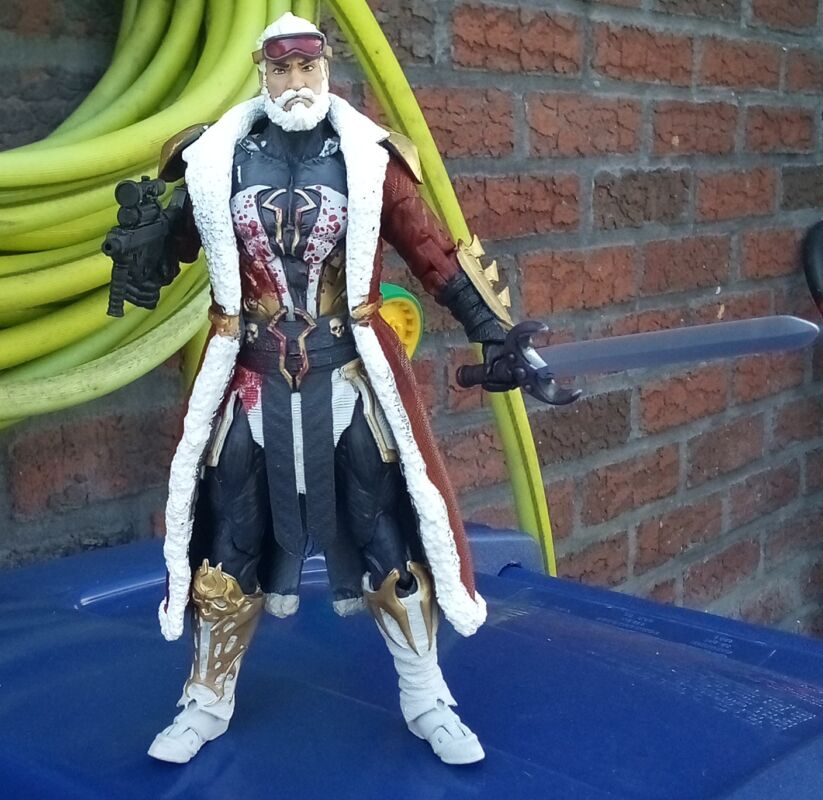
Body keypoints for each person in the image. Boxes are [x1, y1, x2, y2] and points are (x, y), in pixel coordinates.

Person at [147, 12, 518, 767]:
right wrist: (139, 244)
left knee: (385, 531)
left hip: (347, 376)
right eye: (281, 68)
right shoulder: (213, 158)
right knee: (231, 533)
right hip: (249, 379)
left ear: (325, 69)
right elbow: (168, 252)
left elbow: (432, 252)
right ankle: (206, 700)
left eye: (307, 66)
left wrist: (491, 329)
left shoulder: (369, 159)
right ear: (262, 73)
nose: (295, 81)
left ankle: (426, 695)